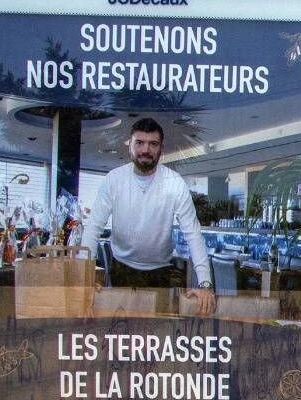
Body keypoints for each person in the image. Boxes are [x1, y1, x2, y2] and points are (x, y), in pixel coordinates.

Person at [74, 117, 214, 316]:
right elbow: (93, 227)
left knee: (156, 335)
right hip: (122, 268)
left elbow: (193, 233)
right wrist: (85, 275)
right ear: (129, 145)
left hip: (160, 272)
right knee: (122, 333)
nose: (146, 150)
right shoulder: (114, 179)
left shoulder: (175, 183)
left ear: (161, 149)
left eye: (153, 144)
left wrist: (205, 283)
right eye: (139, 143)